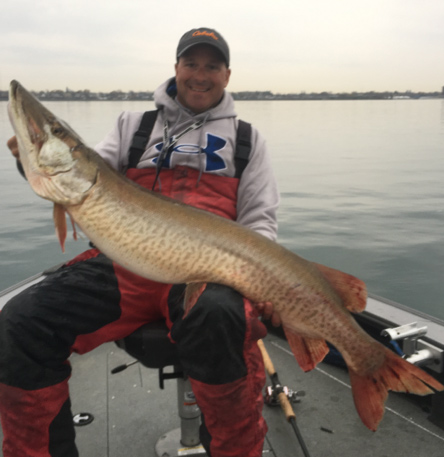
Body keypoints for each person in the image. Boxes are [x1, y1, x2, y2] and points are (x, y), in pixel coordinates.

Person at [0, 28, 280, 457]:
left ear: (227, 75)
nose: (200, 75)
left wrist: (251, 279)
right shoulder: (135, 125)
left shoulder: (248, 140)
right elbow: (82, 178)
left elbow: (259, 223)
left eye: (211, 66)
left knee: (222, 317)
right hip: (124, 264)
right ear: (176, 69)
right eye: (191, 64)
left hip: (206, 272)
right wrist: (29, 163)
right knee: (20, 322)